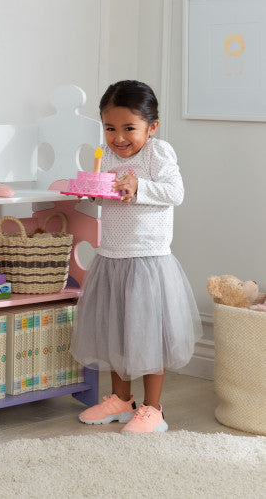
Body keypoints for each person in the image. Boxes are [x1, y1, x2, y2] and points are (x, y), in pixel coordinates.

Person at [70, 80, 202, 434]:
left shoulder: (158, 154)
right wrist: (94, 190)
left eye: (129, 128)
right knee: (116, 332)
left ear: (151, 127)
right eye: (110, 128)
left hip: (147, 261)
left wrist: (138, 186)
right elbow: (104, 195)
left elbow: (176, 192)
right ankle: (120, 399)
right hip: (111, 258)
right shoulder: (105, 153)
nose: (119, 138)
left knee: (148, 336)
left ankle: (152, 407)